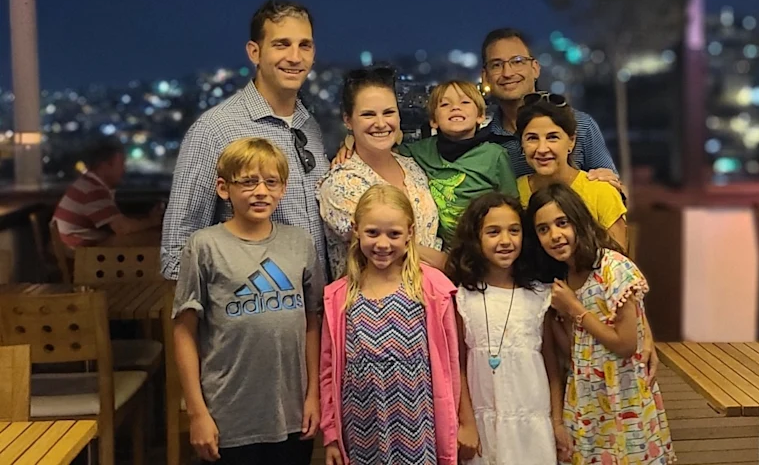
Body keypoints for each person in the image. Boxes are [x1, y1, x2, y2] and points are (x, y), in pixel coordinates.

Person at [172, 137, 323, 465]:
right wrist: (197, 413)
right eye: (248, 181)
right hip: (229, 416)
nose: (261, 191)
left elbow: (313, 323)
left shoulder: (301, 243)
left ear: (283, 189)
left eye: (271, 182)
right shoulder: (204, 246)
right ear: (224, 189)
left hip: (293, 415)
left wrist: (314, 396)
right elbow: (184, 332)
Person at [161, 0, 328, 280]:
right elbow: (176, 254)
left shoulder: (310, 127)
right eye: (281, 44)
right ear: (254, 52)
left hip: (317, 313)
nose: (295, 57)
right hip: (252, 312)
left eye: (304, 45)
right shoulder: (214, 129)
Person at [527, 184, 675, 465]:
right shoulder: (560, 281)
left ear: (578, 221)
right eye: (543, 229)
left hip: (624, 398)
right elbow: (570, 354)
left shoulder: (612, 268)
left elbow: (625, 344)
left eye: (562, 223)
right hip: (586, 402)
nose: (555, 236)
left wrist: (575, 309)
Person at [318, 184, 465, 465]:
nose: (382, 244)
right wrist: (332, 434)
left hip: (420, 429)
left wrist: (460, 421)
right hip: (360, 430)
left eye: (394, 234)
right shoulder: (339, 297)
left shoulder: (432, 290)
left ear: (410, 233)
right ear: (356, 229)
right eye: (372, 232)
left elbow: (453, 364)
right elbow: (328, 369)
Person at [445, 192, 558, 465]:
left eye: (514, 231)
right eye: (493, 232)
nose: (505, 241)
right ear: (475, 238)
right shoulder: (462, 297)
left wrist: (558, 422)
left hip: (533, 422)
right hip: (484, 425)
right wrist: (467, 423)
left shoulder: (540, 295)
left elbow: (552, 367)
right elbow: (457, 365)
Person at [317, 67, 441, 280]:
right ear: (348, 120)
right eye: (368, 114)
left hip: (432, 301)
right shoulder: (341, 184)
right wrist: (452, 264)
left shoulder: (412, 167)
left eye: (388, 112)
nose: (381, 123)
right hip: (374, 307)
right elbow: (393, 251)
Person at [480, 27, 619, 183]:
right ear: (485, 76)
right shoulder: (483, 142)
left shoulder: (580, 125)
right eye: (496, 65)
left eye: (517, 61)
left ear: (535, 69)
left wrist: (611, 184)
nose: (507, 73)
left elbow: (617, 195)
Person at [398, 80, 517, 244]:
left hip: (484, 248)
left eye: (465, 102)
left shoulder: (494, 155)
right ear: (433, 120)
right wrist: (351, 140)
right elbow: (386, 153)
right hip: (444, 251)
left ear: (480, 116)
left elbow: (513, 205)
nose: (455, 107)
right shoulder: (420, 151)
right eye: (445, 104)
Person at [515, 96, 628, 249]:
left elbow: (617, 264)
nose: (542, 149)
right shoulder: (514, 192)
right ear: (522, 143)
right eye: (532, 138)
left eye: (552, 137)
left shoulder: (600, 192)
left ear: (571, 141)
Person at [53, 139, 163, 248]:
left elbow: (118, 222)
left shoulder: (87, 184)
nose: (124, 170)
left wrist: (146, 220)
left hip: (77, 251)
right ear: (104, 166)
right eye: (121, 164)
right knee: (153, 242)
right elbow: (121, 227)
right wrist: (152, 221)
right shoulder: (93, 190)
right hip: (82, 257)